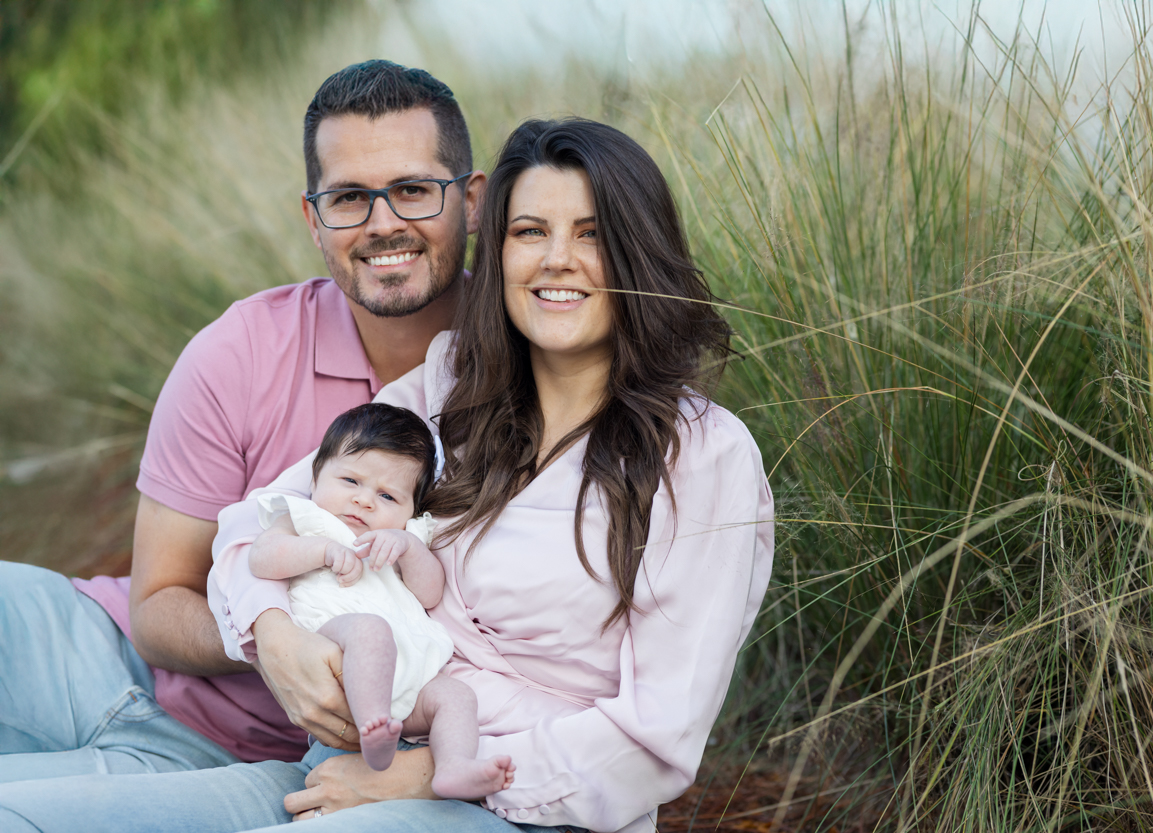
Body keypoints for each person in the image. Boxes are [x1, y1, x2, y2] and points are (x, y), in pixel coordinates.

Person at [0, 117, 775, 833]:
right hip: (334, 768)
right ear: (497, 251)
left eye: (592, 234)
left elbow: (656, 739)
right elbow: (260, 519)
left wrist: (422, 777)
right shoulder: (448, 390)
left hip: (517, 804)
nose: (556, 259)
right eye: (529, 231)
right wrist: (270, 630)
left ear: (640, 253)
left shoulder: (702, 457)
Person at [0, 60, 485, 780]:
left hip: (231, 761)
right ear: (313, 218)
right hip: (93, 649)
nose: (384, 224)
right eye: (349, 197)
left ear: (471, 201)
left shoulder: (523, 378)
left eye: (413, 190)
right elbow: (157, 603)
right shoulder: (240, 349)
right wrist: (269, 639)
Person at [244, 402, 514, 794]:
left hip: (410, 675)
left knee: (455, 696)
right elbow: (261, 558)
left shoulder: (403, 539)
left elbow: (431, 592)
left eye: (388, 496)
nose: (365, 500)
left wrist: (408, 547)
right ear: (316, 477)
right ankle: (373, 728)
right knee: (370, 630)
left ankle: (454, 767)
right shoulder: (305, 519)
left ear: (411, 510)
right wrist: (319, 551)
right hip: (336, 647)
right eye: (351, 481)